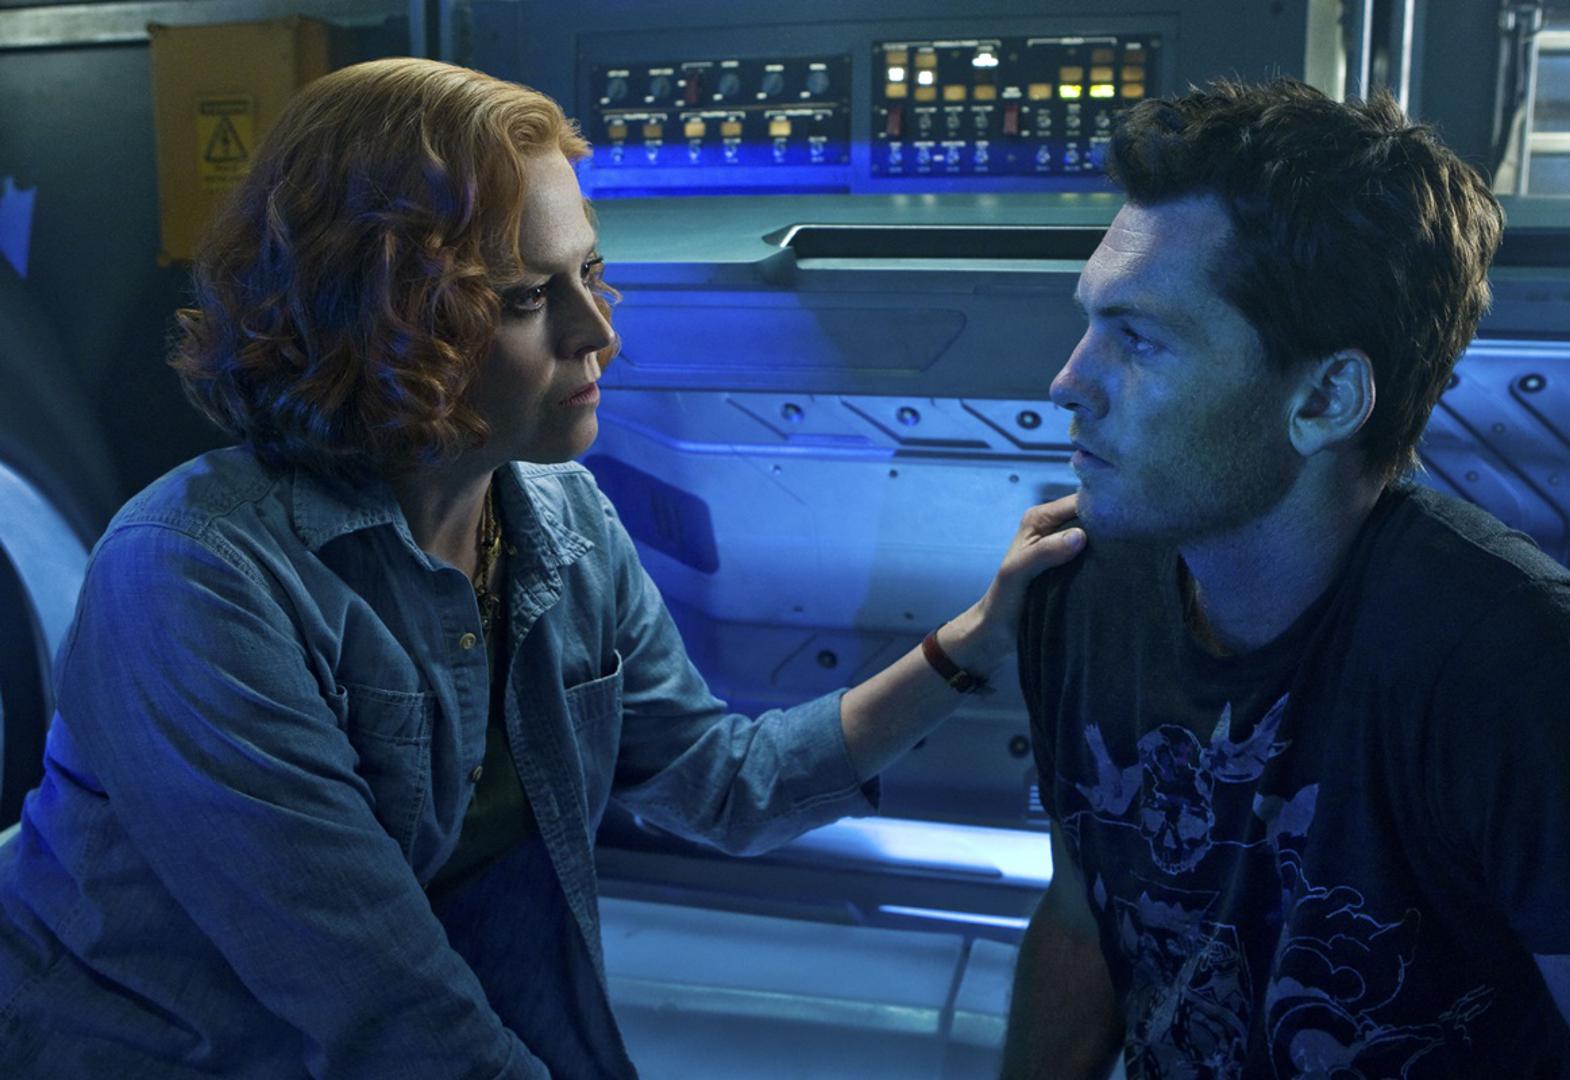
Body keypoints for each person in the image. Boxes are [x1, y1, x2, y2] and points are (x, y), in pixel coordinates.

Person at [0, 58, 1084, 1077]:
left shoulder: (559, 519)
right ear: (377, 318)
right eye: (526, 298)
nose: (596, 331)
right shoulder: (194, 578)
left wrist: (970, 644)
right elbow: (382, 1004)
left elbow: (719, 785)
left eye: (592, 273)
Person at [1003, 78, 1570, 1078]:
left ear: (1326, 399)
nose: (1069, 381)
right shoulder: (1080, 590)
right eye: (1090, 324)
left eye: (1140, 339)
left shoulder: (1535, 678)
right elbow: (1083, 920)